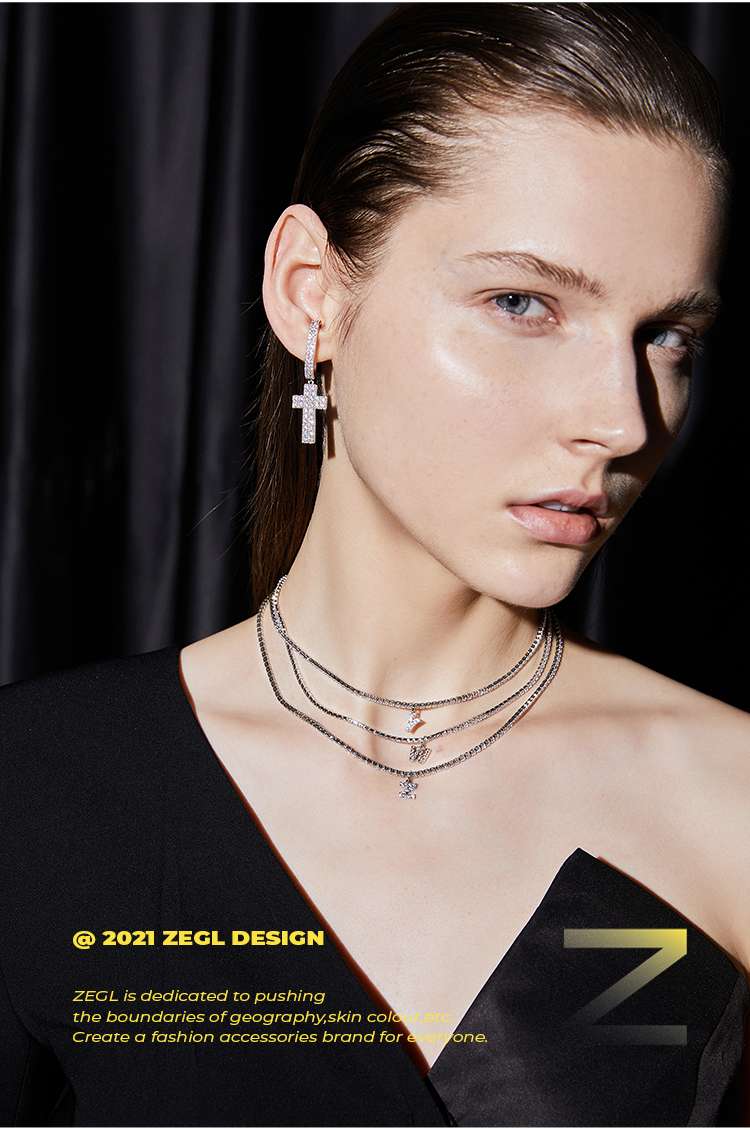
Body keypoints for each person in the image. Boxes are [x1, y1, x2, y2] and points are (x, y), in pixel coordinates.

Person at [2, 3, 749, 1125]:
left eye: (667, 337)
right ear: (313, 292)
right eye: (522, 303)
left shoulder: (727, 797)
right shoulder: (38, 787)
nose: (621, 419)